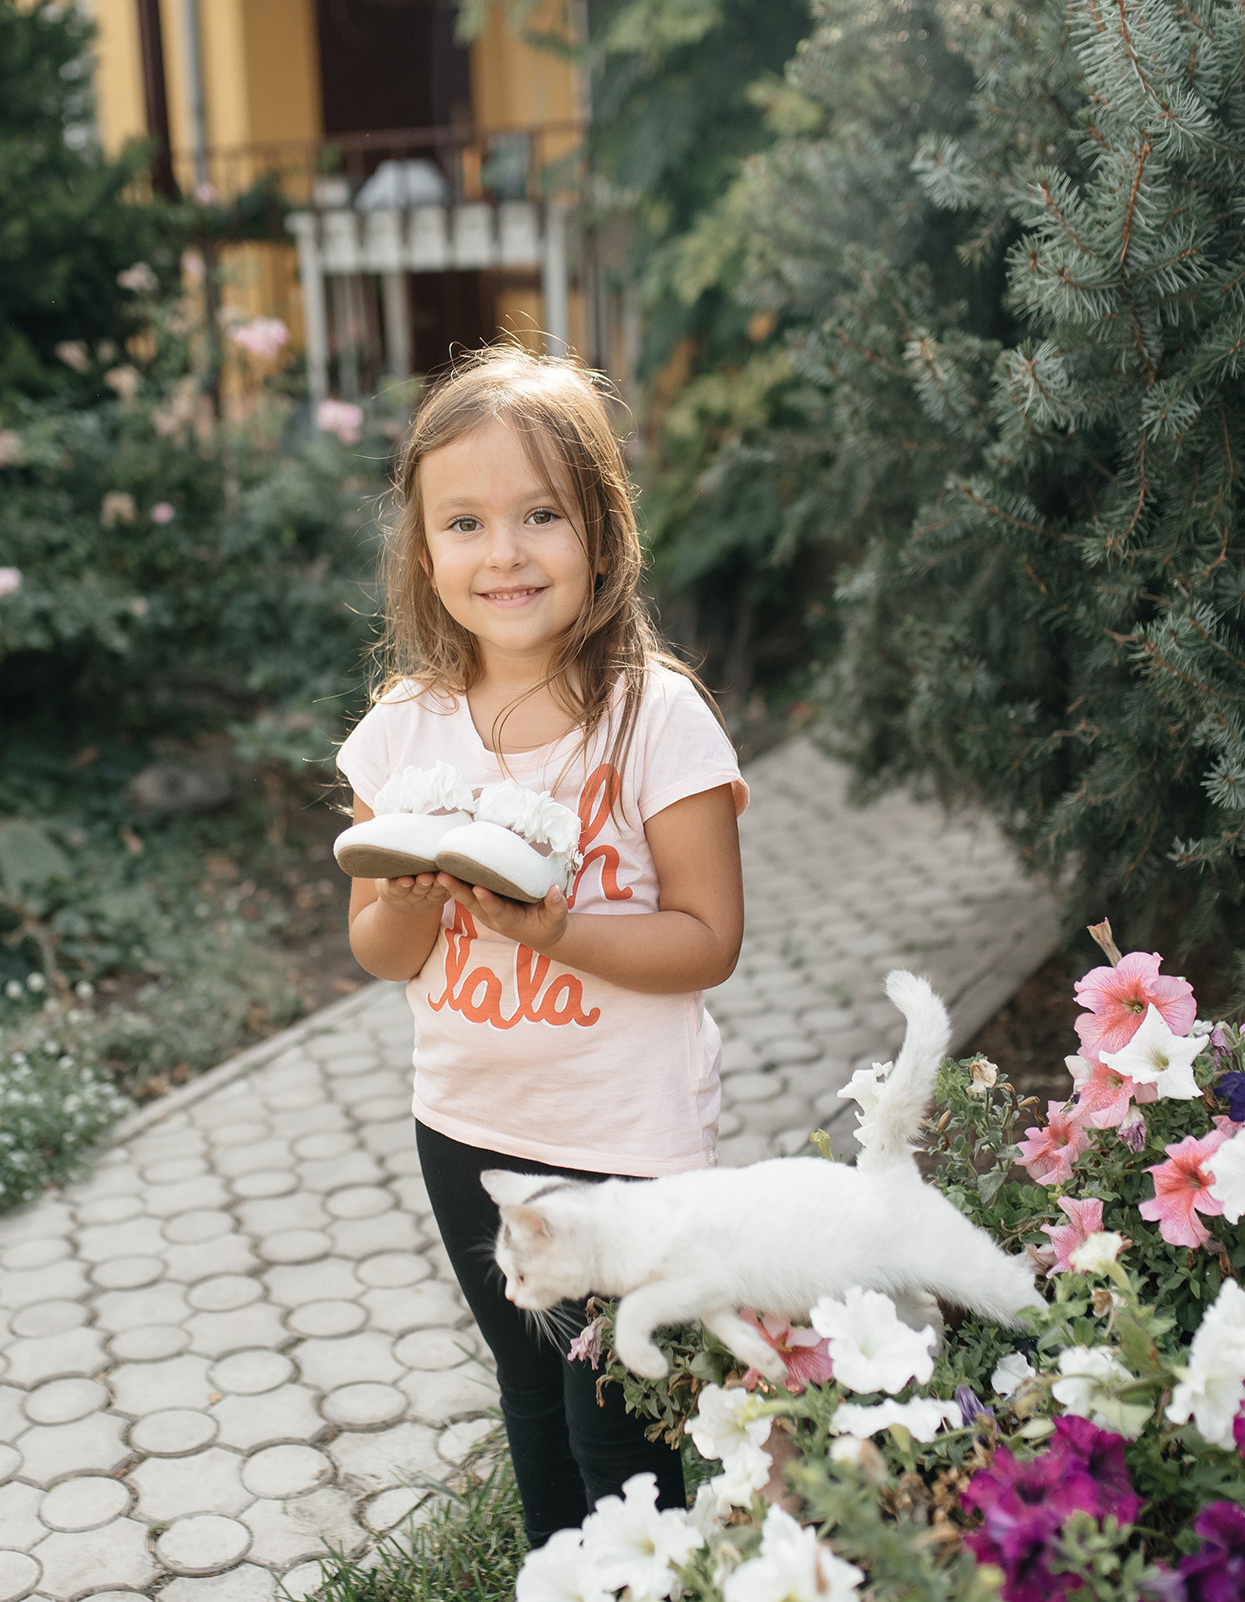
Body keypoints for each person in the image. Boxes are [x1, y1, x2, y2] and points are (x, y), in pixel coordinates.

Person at [336, 347, 748, 1547]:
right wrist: (412, 895)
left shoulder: (654, 716)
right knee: (529, 1390)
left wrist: (558, 929)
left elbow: (708, 939)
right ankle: (560, 1576)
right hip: (464, 1124)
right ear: (424, 548)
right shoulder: (402, 735)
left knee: (612, 1407)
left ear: (602, 537)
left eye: (539, 516)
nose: (503, 552)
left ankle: (650, 1575)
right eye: (464, 521)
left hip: (623, 1138)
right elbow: (380, 952)